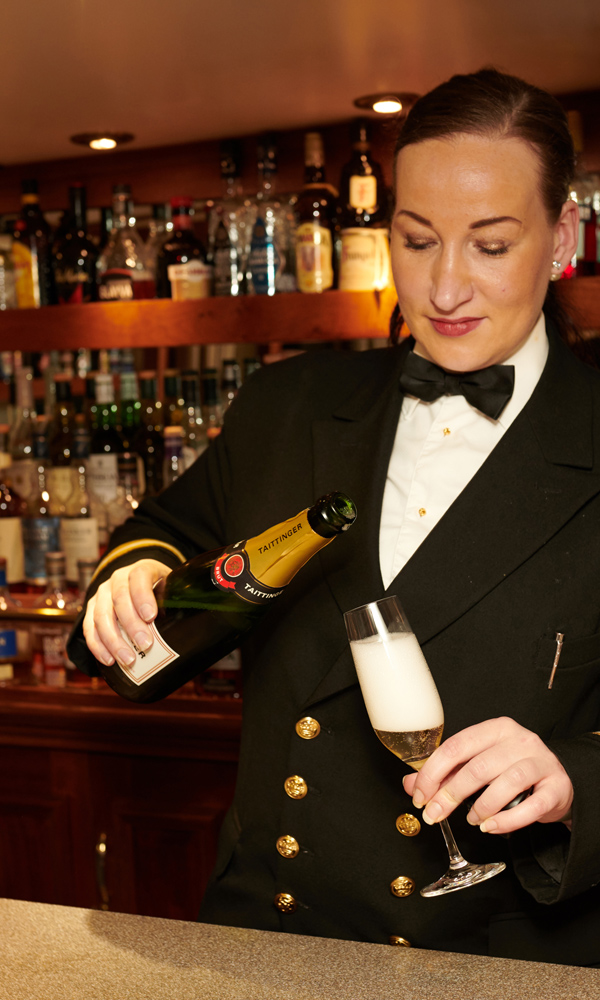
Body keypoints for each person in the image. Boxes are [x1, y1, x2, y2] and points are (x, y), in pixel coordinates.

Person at [69, 69, 600, 966]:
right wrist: (128, 582)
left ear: (562, 239)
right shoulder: (289, 404)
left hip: (497, 958)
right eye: (417, 239)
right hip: (260, 941)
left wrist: (574, 778)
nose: (444, 286)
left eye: (491, 245)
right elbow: (162, 536)